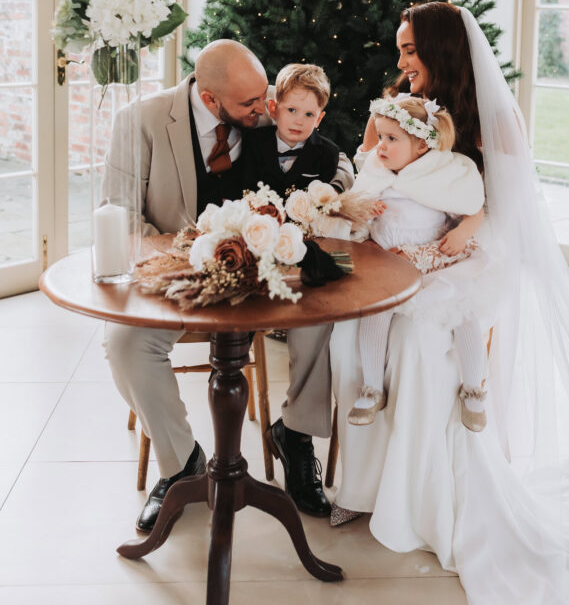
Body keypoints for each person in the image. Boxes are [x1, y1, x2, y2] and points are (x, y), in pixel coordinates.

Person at [330, 1, 569, 605]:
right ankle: (362, 488)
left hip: (470, 259)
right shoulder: (401, 109)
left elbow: (514, 212)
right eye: (400, 50)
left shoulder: (491, 118)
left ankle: (423, 504)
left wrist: (473, 225)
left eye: (410, 50)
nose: (400, 61)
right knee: (352, 333)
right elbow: (376, 171)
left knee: (418, 341)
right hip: (404, 254)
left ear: (440, 52)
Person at [102, 39, 353, 532]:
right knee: (124, 342)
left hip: (263, 266)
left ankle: (296, 433)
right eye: (252, 104)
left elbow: (333, 157)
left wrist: (331, 190)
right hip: (182, 272)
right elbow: (125, 218)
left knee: (325, 304)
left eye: (267, 99)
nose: (266, 110)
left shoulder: (262, 111)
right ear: (211, 99)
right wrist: (190, 262)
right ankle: (181, 466)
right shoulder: (141, 121)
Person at [347, 95, 492, 432]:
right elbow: (356, 213)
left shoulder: (441, 174)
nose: (379, 147)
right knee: (375, 311)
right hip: (387, 260)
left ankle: (473, 387)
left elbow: (473, 208)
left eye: (391, 139)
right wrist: (364, 213)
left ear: (422, 147)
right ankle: (372, 388)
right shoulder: (378, 171)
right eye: (380, 136)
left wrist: (463, 232)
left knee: (463, 309)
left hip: (433, 258)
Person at [241, 62, 342, 199]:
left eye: (309, 114)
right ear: (273, 109)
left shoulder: (328, 153)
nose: (299, 121)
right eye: (292, 110)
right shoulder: (254, 142)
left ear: (319, 119)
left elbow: (324, 204)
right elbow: (244, 188)